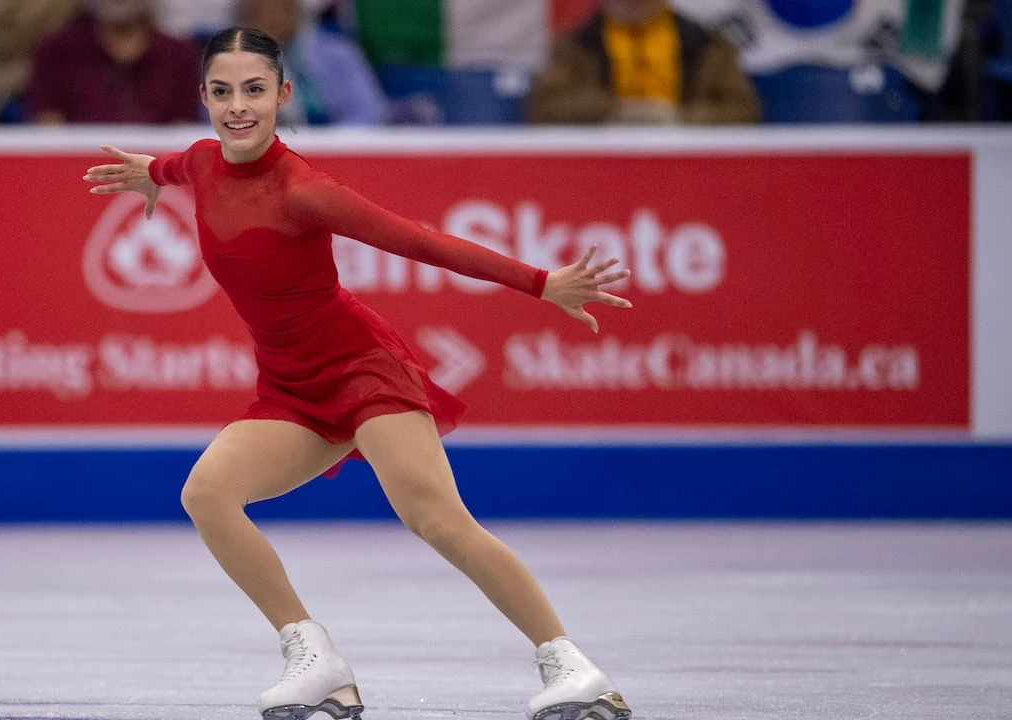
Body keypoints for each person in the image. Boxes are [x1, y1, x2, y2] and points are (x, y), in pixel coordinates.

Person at [82, 25, 632, 720]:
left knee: (435, 518)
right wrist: (146, 172)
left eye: (255, 90)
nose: (238, 106)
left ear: (284, 94)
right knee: (208, 494)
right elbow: (179, 166)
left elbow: (421, 240)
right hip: (289, 390)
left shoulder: (304, 190)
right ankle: (315, 661)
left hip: (360, 371)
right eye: (222, 92)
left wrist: (539, 282)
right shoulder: (197, 161)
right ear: (204, 97)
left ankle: (571, 666)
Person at [527, 0, 760, 125]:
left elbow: (743, 110)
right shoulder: (575, 46)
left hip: (690, 168)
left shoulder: (707, 45)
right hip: (601, 168)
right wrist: (617, 112)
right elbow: (545, 107)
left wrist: (678, 118)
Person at [26, 0, 201, 124]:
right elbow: (47, 122)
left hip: (155, 167)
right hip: (76, 167)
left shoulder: (178, 53)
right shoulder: (55, 49)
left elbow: (183, 127)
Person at [238, 0, 386, 125]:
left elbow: (367, 111)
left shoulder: (338, 52)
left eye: (279, 9)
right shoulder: (231, 61)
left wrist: (333, 143)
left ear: (296, 12)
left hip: (333, 147)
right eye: (260, 12)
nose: (271, 18)